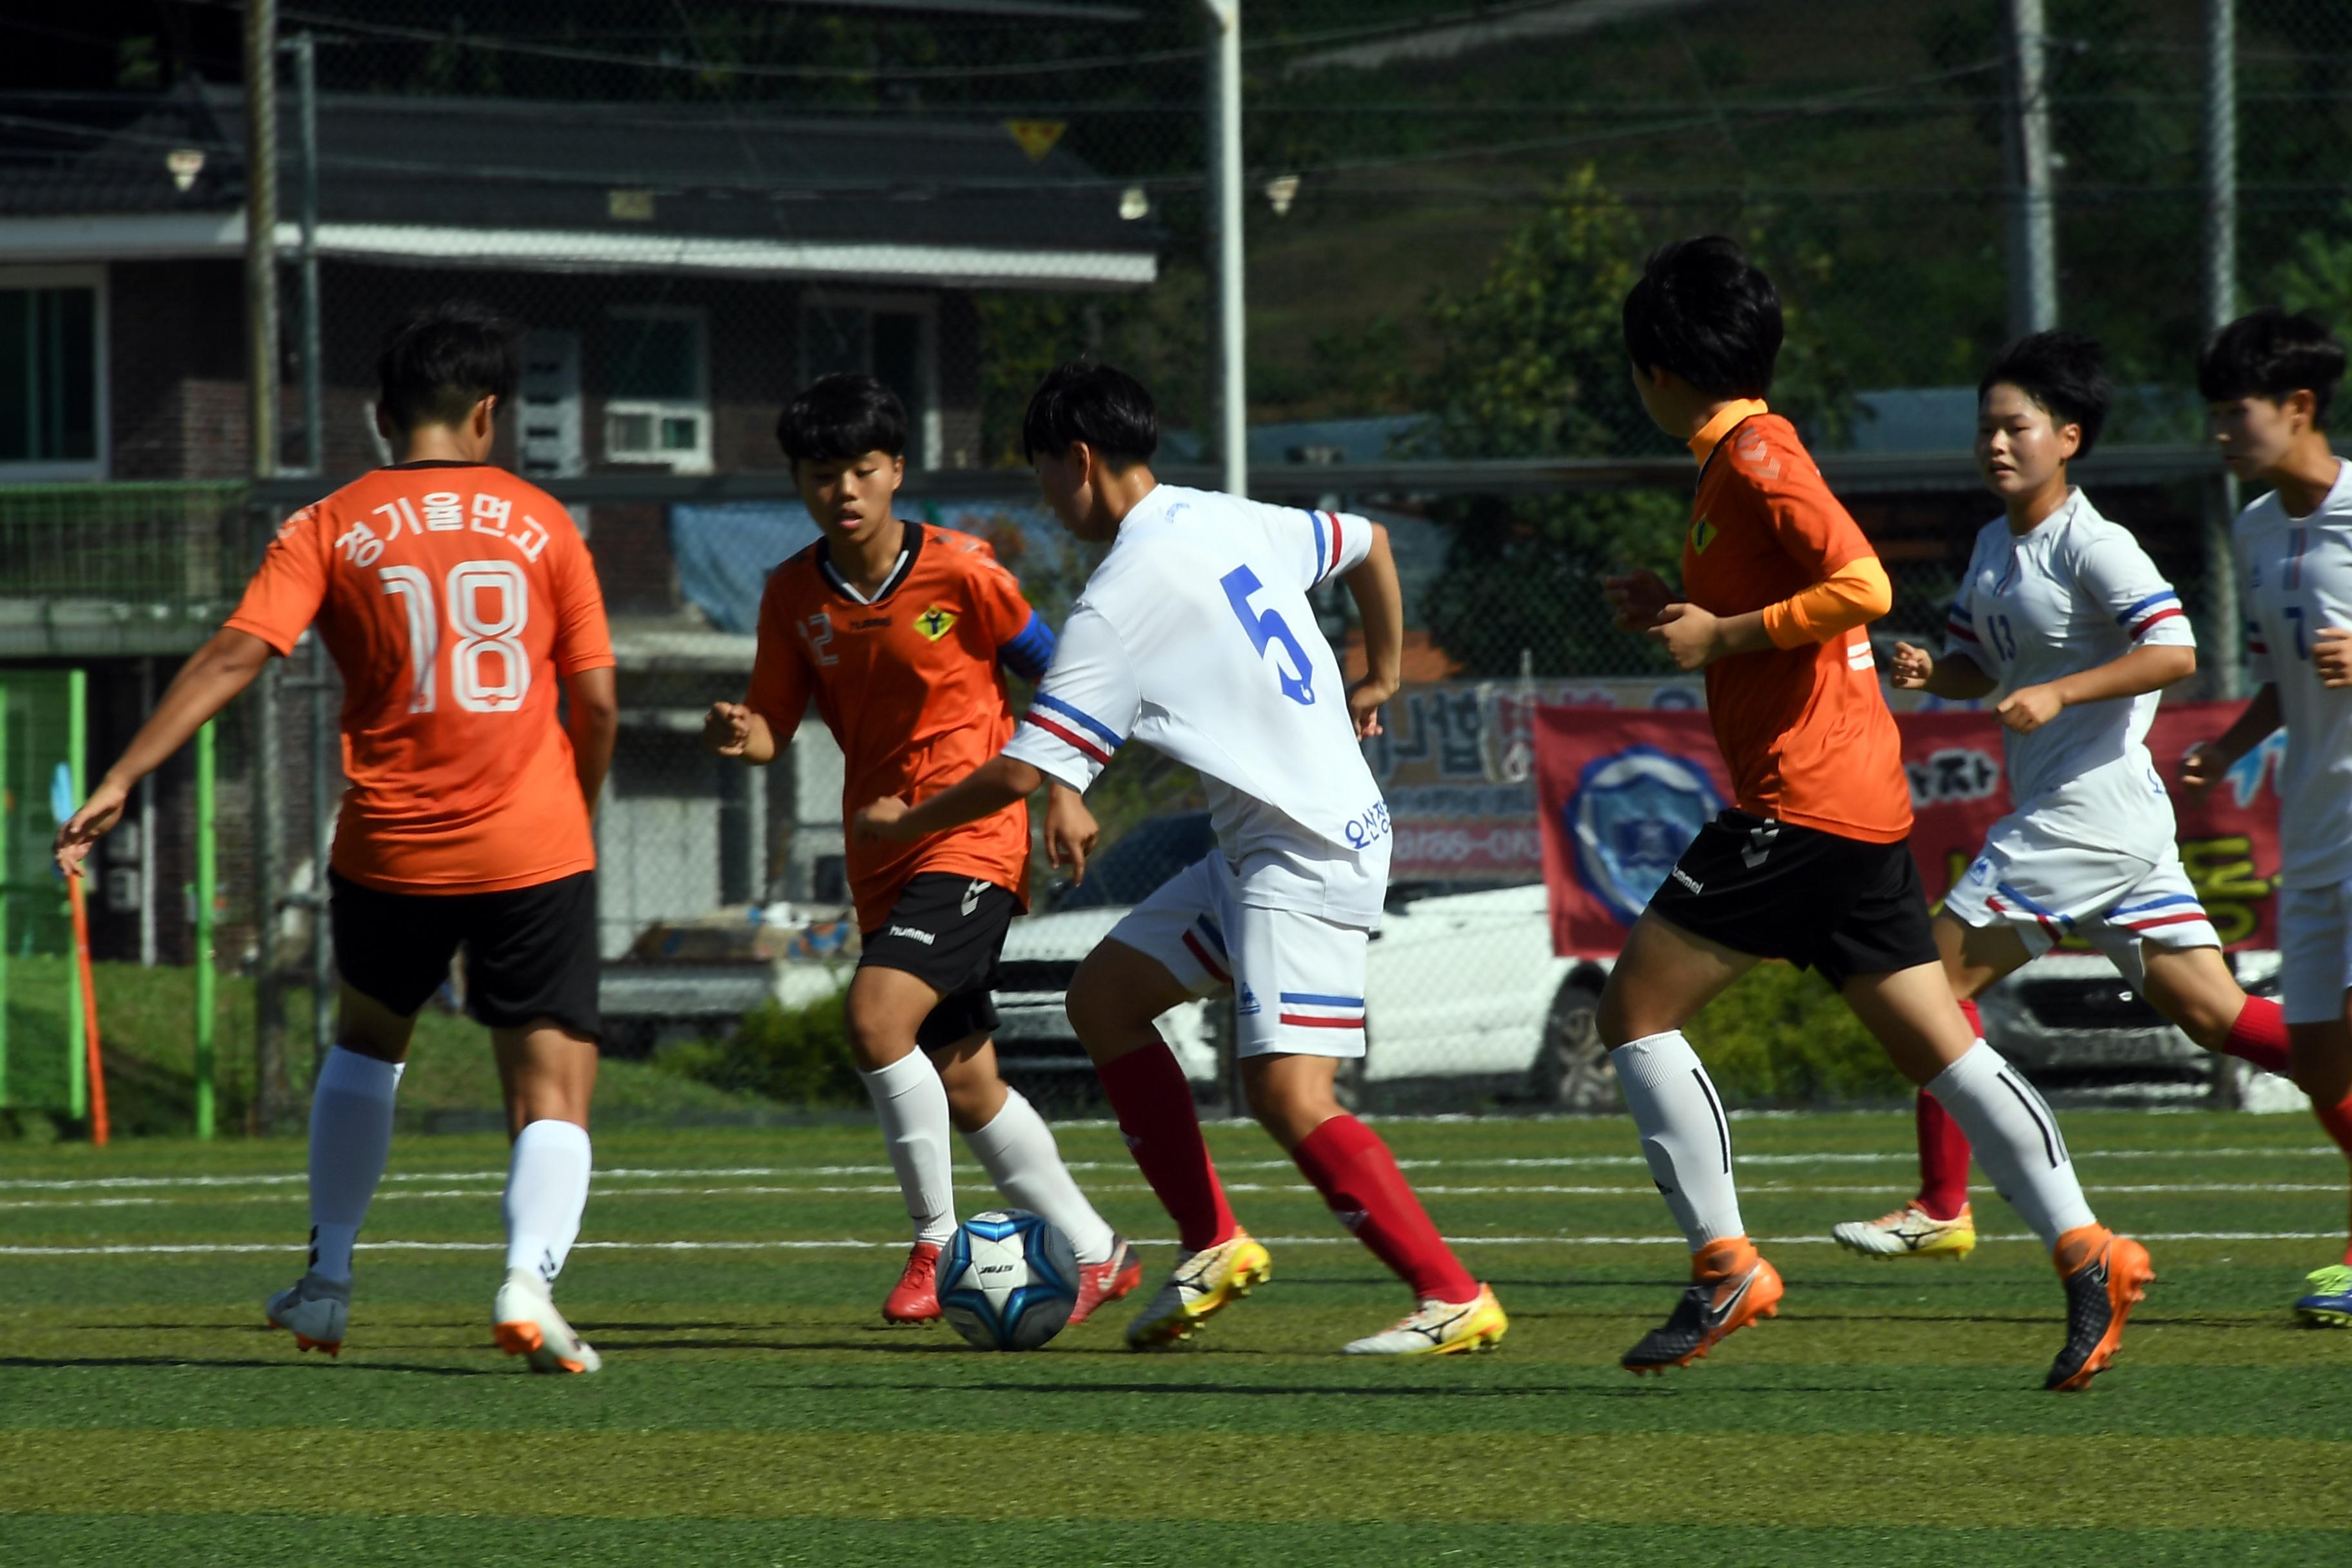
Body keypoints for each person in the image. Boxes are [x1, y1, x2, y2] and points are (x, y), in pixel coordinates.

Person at [853, 361, 1507, 1356]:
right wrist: (1374, 671)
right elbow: (1370, 543)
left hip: (1305, 849)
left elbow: (1027, 772)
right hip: (1267, 843)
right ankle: (1212, 1241)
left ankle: (1452, 1293)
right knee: (1105, 999)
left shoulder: (1118, 597)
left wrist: (908, 825)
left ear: (1079, 461)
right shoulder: (1219, 515)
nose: (1046, 499)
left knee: (1290, 1095)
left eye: (1042, 477)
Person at [1598, 239, 2148, 1390]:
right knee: (1941, 1046)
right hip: (1855, 808)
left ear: (1658, 368)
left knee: (1635, 1013)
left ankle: (1726, 1265)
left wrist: (1724, 635)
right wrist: (1682, 614)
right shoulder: (1739, 457)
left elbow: (1863, 585)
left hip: (1798, 807)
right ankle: (2091, 1250)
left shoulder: (1752, 452)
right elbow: (1794, 604)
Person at [55, 302, 620, 1373]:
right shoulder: (549, 524)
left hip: (390, 847)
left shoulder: (328, 523)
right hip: (533, 845)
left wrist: (126, 774)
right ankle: (524, 1282)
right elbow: (593, 702)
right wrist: (573, 810)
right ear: (489, 414)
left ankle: (327, 1280)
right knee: (552, 1080)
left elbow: (235, 653)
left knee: (368, 1041)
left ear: (379, 416)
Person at [1832, 330, 2324, 1265]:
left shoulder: (2096, 544)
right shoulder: (1991, 543)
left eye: (2016, 427)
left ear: (2070, 436)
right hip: (2112, 820)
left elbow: (2172, 649)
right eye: (1986, 429)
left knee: (1925, 989)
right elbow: (1982, 669)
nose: (1996, 444)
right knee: (2216, 1017)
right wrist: (1936, 674)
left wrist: (2062, 691)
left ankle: (1941, 1205)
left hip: (2083, 814)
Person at [702, 372, 1139, 1327]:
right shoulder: (790, 596)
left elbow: (1067, 676)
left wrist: (1063, 788)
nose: (845, 492)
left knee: (873, 1019)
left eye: (863, 470)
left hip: (974, 839)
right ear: (801, 485)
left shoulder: (965, 571)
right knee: (967, 1079)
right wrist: (745, 734)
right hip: (881, 856)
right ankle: (1101, 1250)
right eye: (823, 476)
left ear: (896, 470)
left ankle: (935, 1240)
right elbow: (776, 723)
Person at [2179, 306, 2352, 1326]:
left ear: (2298, 406)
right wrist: (2232, 747)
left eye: (2233, 411)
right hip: (2316, 826)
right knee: (2323, 1068)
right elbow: (2293, 677)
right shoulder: (2254, 528)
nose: (2220, 433)